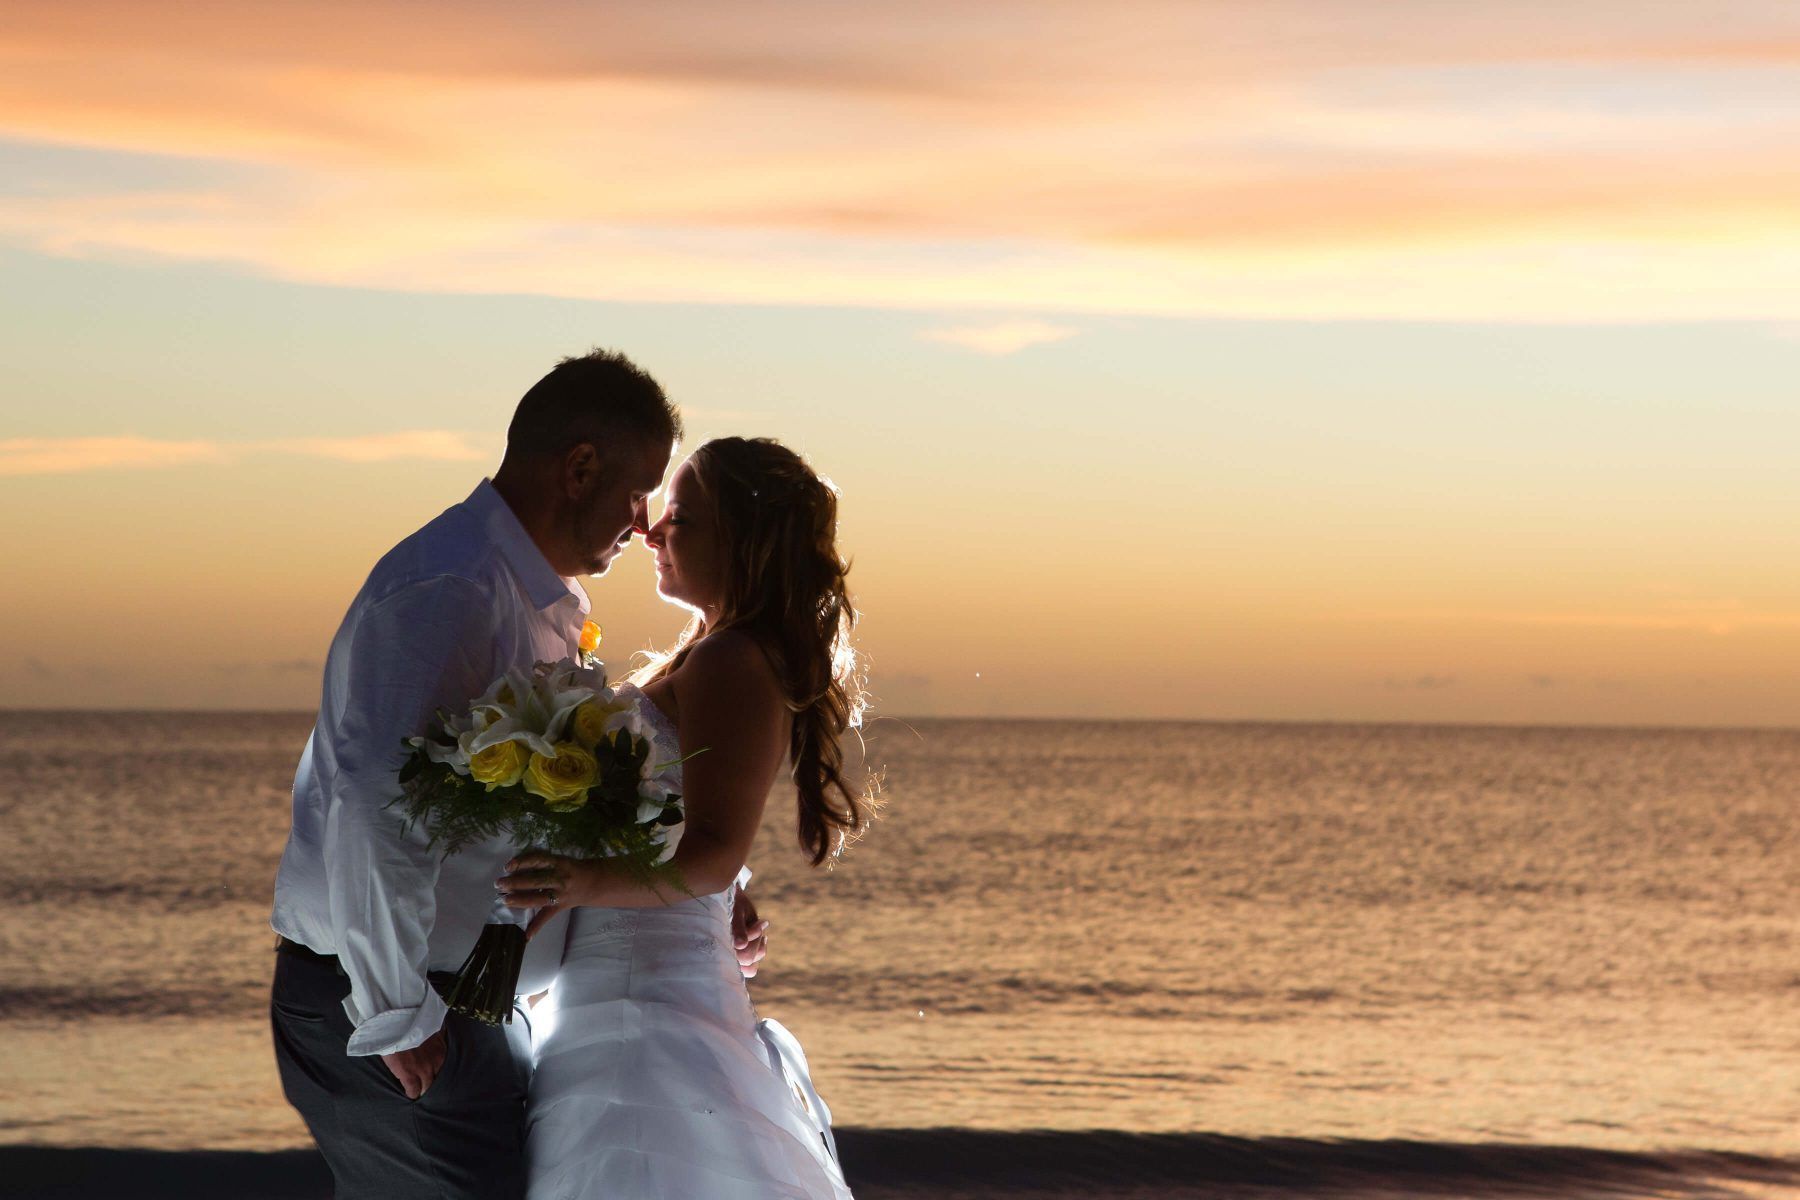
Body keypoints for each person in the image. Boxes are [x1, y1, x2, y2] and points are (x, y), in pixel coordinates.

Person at [268, 351, 770, 1200]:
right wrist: (393, 1008)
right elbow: (370, 799)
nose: (644, 524)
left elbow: (555, 807)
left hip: (467, 1005)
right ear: (579, 468)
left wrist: (703, 885)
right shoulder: (451, 587)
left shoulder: (541, 607)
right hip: (397, 1004)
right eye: (638, 490)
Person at [498, 436, 871, 1200]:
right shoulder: (706, 654)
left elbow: (707, 853)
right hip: (613, 994)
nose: (651, 532)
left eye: (681, 519)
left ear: (740, 542)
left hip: (649, 1012)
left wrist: (576, 881)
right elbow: (699, 842)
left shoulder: (733, 661)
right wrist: (728, 891)